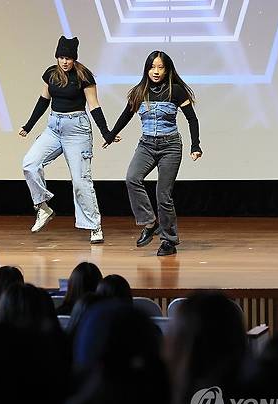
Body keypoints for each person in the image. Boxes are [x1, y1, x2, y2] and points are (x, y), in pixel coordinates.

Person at [20, 36, 119, 244]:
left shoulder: (84, 76)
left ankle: (94, 226)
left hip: (78, 130)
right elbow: (43, 101)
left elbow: (94, 105)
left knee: (81, 181)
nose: (64, 62)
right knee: (30, 164)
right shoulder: (51, 74)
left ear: (75, 58)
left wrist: (106, 132)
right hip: (54, 127)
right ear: (57, 57)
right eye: (61, 57)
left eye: (68, 58)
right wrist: (28, 126)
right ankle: (44, 208)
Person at [103, 51, 202, 256]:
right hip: (146, 145)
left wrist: (195, 145)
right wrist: (111, 135)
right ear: (146, 69)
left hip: (170, 146)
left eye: (160, 67)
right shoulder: (140, 91)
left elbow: (192, 119)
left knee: (163, 194)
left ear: (167, 69)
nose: (156, 72)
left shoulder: (176, 91)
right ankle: (150, 222)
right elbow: (126, 116)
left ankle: (169, 241)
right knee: (132, 178)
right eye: (152, 67)